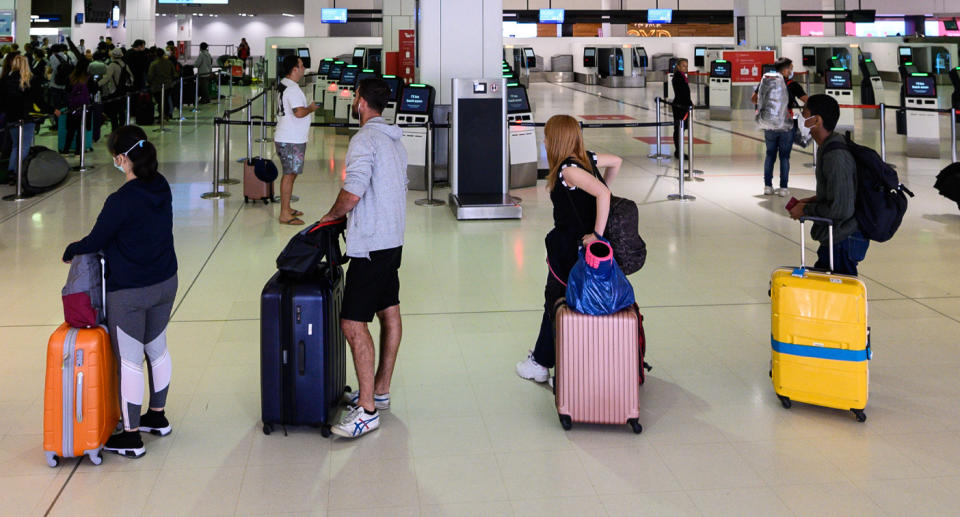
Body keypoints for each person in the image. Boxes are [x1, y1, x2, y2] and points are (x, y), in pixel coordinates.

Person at [62, 126, 177, 458]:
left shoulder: (120, 201)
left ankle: (130, 437)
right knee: (157, 349)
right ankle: (157, 417)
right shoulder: (162, 185)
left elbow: (95, 240)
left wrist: (71, 249)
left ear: (123, 159)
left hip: (130, 292)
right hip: (166, 281)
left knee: (129, 361)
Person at [318, 78, 407, 439]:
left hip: (370, 244)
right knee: (389, 312)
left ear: (359, 103)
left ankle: (367, 409)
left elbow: (353, 191)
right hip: (392, 238)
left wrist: (329, 217)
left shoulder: (365, 139)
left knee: (353, 323)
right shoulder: (395, 139)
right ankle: (380, 390)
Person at [516, 114, 621, 384]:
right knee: (575, 301)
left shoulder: (568, 171)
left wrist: (596, 234)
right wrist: (600, 196)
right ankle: (564, 358)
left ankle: (540, 362)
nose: (544, 139)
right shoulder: (587, 158)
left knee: (555, 298)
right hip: (581, 248)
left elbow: (604, 194)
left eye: (548, 136)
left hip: (571, 248)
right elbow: (616, 162)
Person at [788, 94, 868, 276]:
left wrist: (806, 210)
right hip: (836, 237)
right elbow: (838, 192)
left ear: (816, 120)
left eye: (804, 114)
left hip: (843, 239)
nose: (800, 119)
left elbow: (841, 209)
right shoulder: (829, 147)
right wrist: (812, 200)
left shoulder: (835, 156)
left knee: (841, 297)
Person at [752, 57, 809, 197]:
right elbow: (807, 100)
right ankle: (783, 188)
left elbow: (754, 98)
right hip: (786, 125)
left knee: (770, 155)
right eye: (791, 67)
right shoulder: (792, 84)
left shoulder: (766, 82)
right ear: (785, 69)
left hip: (769, 125)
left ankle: (767, 186)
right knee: (784, 157)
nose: (791, 70)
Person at [273, 55, 317, 225]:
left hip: (288, 137)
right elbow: (299, 112)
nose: (304, 68)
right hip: (291, 139)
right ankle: (284, 213)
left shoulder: (284, 84)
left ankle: (287, 207)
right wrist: (311, 108)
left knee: (291, 174)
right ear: (294, 69)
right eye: (301, 65)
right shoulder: (292, 90)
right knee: (289, 175)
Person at [1, 55, 58, 177]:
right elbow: (39, 101)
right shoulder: (31, 80)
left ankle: (11, 171)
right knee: (25, 145)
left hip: (11, 117)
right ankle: (19, 173)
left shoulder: (5, 79)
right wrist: (52, 110)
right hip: (26, 117)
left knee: (16, 146)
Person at [62, 57, 98, 156]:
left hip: (72, 107)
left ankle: (66, 149)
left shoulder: (71, 76)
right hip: (84, 107)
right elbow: (94, 89)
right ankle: (79, 150)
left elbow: (67, 90)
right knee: (81, 129)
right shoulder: (88, 77)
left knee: (71, 130)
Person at [99, 48, 133, 131]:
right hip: (123, 91)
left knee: (113, 112)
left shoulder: (112, 65)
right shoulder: (125, 64)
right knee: (121, 111)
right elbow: (131, 78)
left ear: (113, 56)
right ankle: (122, 128)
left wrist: (97, 84)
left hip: (114, 91)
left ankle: (115, 129)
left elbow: (106, 78)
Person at [671, 58, 692, 160]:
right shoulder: (678, 77)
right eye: (683, 65)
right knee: (679, 129)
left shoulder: (681, 76)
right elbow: (682, 93)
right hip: (680, 107)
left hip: (682, 106)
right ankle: (678, 151)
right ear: (678, 67)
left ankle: (679, 151)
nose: (686, 67)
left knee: (680, 130)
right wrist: (689, 103)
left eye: (686, 66)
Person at [147, 48, 177, 120]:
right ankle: (167, 114)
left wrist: (148, 82)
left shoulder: (153, 64)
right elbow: (174, 73)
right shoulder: (169, 62)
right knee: (166, 100)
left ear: (156, 55)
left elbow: (150, 76)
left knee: (160, 102)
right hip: (168, 85)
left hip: (157, 86)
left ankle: (161, 115)